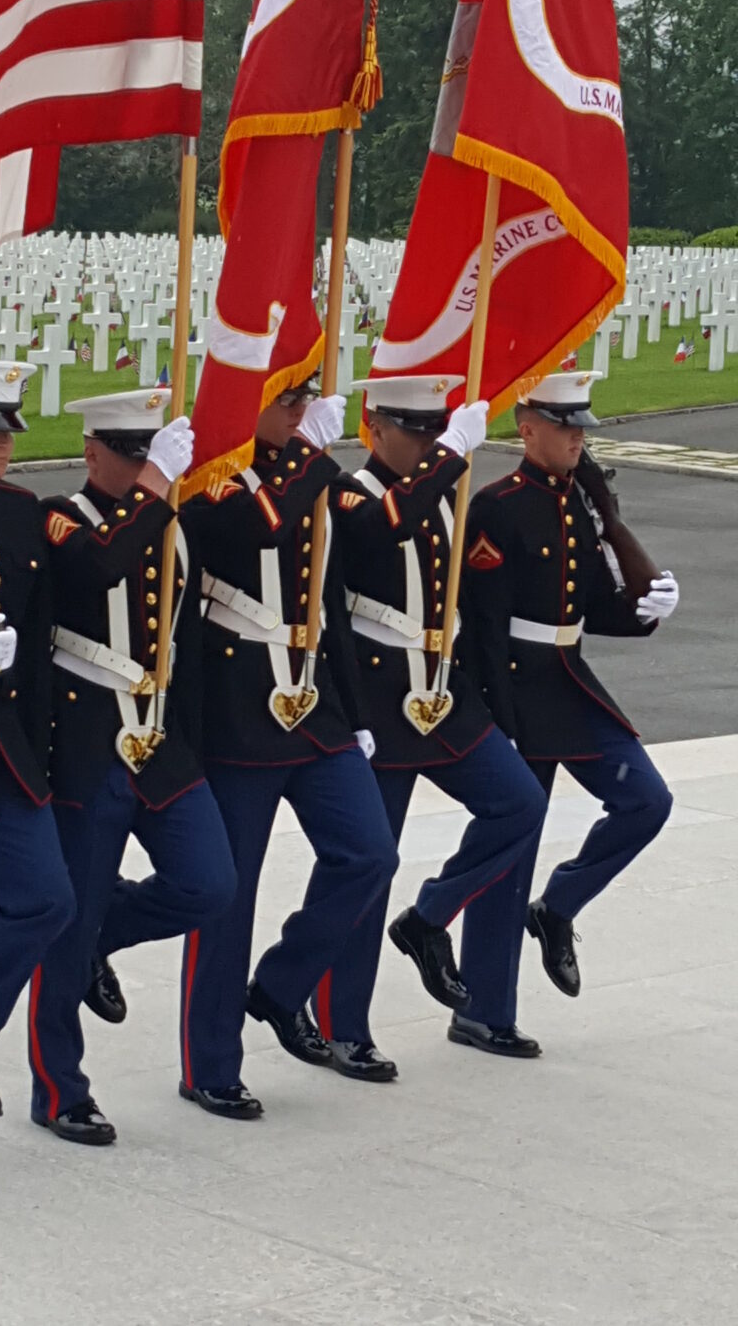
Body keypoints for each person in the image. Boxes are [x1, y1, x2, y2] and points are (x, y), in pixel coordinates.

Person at [310, 375, 549, 1071]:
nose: (421, 443)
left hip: (444, 695)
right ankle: (341, 1024)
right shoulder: (348, 491)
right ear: (372, 428)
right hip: (380, 698)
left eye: (430, 430)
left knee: (519, 803)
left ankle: (429, 916)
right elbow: (386, 529)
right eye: (410, 430)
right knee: (365, 865)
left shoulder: (445, 496)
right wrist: (449, 454)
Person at [175, 380, 399, 1116]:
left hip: (314, 701)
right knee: (229, 895)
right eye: (288, 395)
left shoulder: (309, 472)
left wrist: (355, 708)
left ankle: (277, 985)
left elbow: (325, 595)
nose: (302, 409)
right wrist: (309, 457)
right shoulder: (212, 474)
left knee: (369, 852)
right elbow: (260, 528)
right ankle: (210, 1063)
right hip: (240, 706)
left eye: (308, 394)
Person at [28, 391, 237, 1146]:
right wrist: (156, 491)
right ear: (91, 452)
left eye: (148, 453)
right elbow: (101, 567)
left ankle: (99, 939)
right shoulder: (59, 515)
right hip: (87, 745)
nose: (141, 467)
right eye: (126, 452)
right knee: (67, 915)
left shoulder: (174, 526)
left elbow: (188, 648)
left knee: (210, 882)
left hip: (162, 743)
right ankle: (59, 1089)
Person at [461, 371, 677, 1006]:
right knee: (511, 853)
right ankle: (484, 1009)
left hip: (569, 682)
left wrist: (648, 607)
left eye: (582, 427)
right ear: (528, 430)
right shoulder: (497, 506)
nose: (578, 439)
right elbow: (485, 627)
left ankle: (557, 906)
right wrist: (497, 717)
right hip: (519, 692)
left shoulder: (580, 503)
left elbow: (584, 608)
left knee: (646, 801)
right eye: (563, 426)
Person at [0, 362, 75, 1119]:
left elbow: (37, 648)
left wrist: (42, 747)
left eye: (7, 432)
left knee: (45, 899)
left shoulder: (19, 511)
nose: (3, 446)